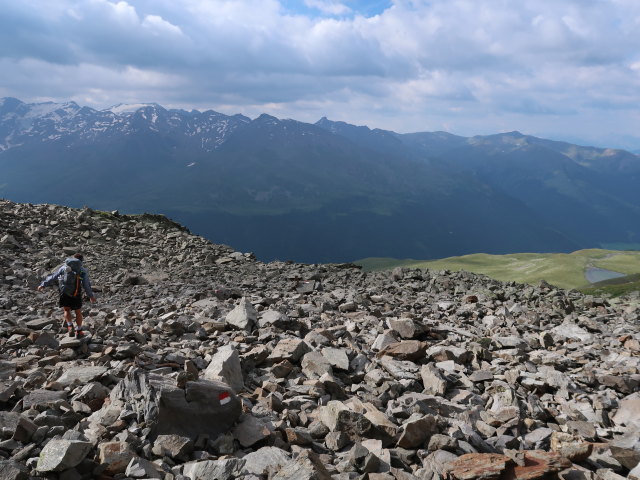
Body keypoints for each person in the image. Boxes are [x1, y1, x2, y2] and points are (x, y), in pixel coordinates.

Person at [37, 253, 97, 337]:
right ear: (81, 261)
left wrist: (43, 284)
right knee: (78, 312)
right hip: (76, 293)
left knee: (66, 310)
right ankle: (79, 330)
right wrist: (91, 296)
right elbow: (86, 285)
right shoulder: (82, 270)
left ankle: (69, 325)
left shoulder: (64, 267)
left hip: (64, 292)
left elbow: (53, 276)